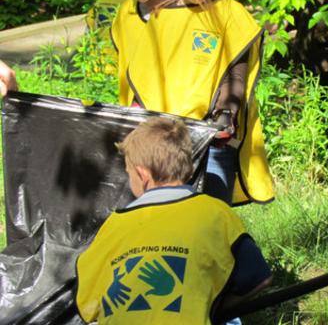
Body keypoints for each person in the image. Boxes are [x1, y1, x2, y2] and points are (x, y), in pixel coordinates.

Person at [75, 117, 272, 324]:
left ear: (142, 176)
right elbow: (259, 277)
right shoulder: (216, 213)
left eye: (128, 172)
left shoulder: (114, 224)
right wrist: (212, 308)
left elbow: (87, 301)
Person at [120, 0, 274, 206]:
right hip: (165, 144)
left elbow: (235, 76)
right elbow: (143, 78)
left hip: (213, 140)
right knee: (164, 217)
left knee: (210, 218)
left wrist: (223, 117)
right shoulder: (161, 16)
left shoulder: (230, 14)